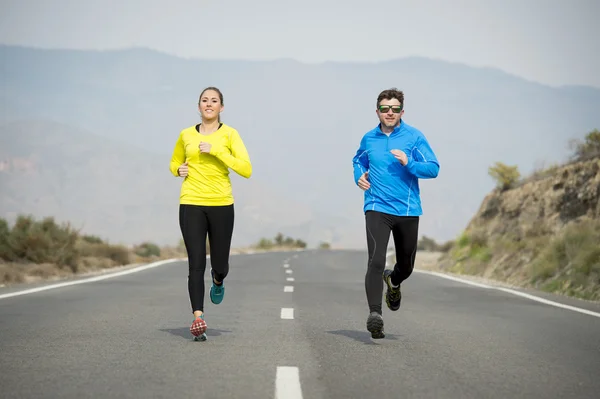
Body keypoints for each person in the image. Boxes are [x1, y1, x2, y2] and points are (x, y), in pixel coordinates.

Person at [352, 88, 440, 339]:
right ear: (377, 111)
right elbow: (358, 160)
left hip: (408, 209)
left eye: (394, 108)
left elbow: (433, 168)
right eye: (384, 108)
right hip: (377, 206)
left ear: (402, 111)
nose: (389, 112)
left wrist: (409, 164)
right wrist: (359, 176)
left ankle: (395, 281)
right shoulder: (369, 138)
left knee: (407, 264)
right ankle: (375, 315)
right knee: (376, 260)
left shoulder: (414, 137)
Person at [169, 86, 252, 341]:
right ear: (198, 106)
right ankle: (198, 318)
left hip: (221, 204)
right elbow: (174, 162)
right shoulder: (185, 135)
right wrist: (178, 170)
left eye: (214, 101)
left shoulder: (230, 135)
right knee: (196, 262)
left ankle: (218, 280)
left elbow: (246, 169)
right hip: (191, 202)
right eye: (204, 100)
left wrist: (216, 150)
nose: (209, 104)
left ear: (221, 107)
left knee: (219, 264)